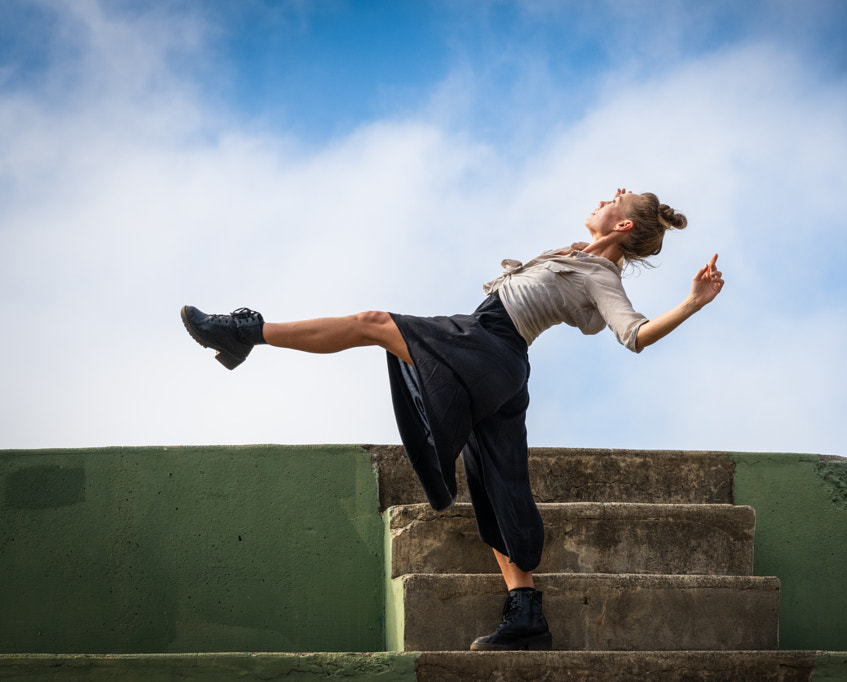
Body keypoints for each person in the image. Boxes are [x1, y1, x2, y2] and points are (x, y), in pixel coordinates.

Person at [181, 188, 724, 651]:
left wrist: (693, 302)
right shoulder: (578, 255)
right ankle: (526, 612)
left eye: (613, 201)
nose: (603, 199)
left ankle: (244, 332)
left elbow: (635, 335)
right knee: (496, 485)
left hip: (489, 346)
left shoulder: (601, 277)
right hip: (497, 360)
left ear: (623, 225)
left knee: (373, 323)